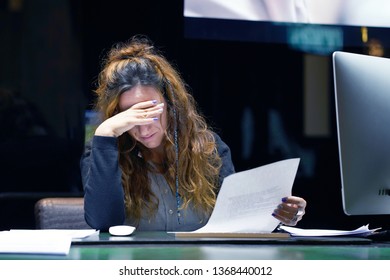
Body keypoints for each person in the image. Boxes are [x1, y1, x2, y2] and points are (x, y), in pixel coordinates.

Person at [80, 35, 307, 231]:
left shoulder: (208, 148)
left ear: (170, 105)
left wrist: (281, 215)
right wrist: (107, 130)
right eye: (131, 117)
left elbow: (238, 219)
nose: (144, 127)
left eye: (151, 111)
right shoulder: (103, 151)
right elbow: (103, 222)